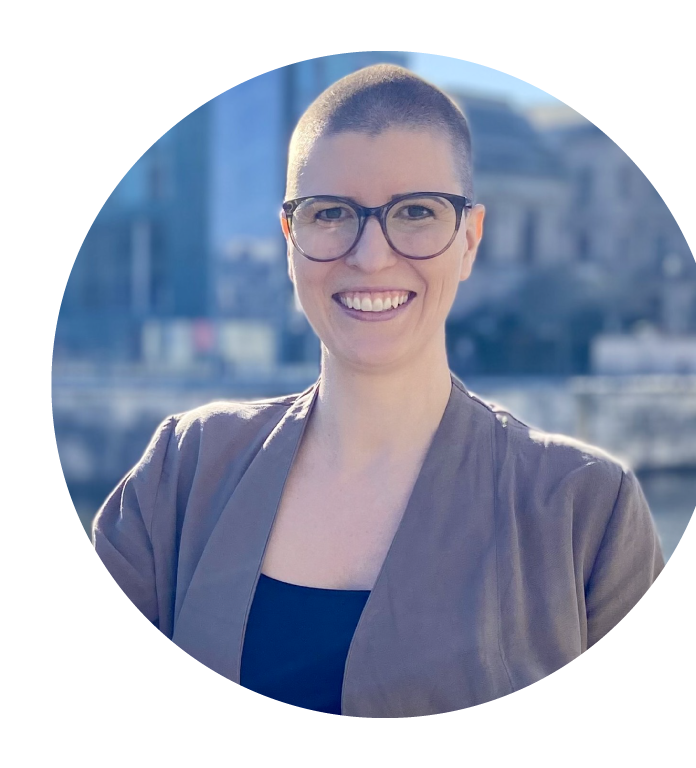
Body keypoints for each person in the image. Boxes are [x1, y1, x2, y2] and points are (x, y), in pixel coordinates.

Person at [93, 64, 666, 719]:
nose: (370, 256)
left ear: (469, 239)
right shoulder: (182, 474)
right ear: (290, 240)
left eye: (416, 212)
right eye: (331, 213)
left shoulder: (586, 512)